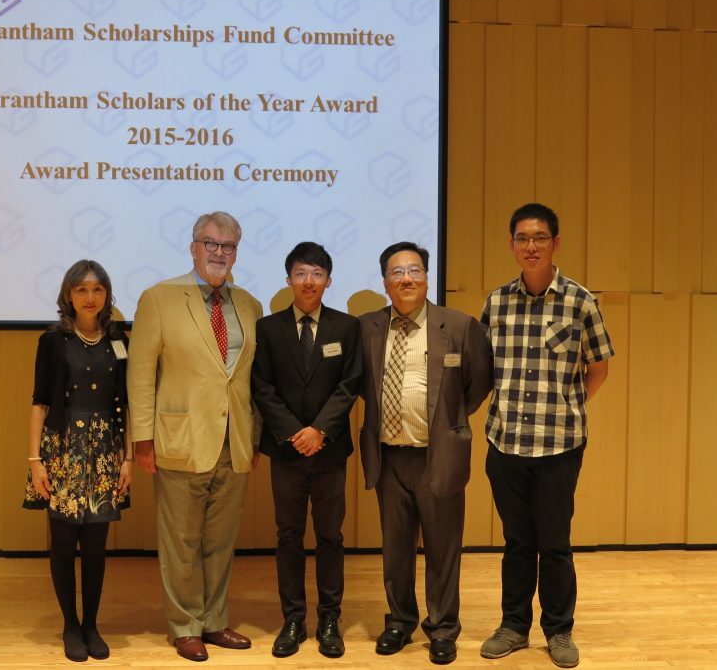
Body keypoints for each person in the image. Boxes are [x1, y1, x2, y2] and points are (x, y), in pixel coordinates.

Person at [479, 203, 613, 669]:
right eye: (521, 238)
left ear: (556, 243)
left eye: (539, 237)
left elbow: (599, 367)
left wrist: (568, 408)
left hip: (559, 446)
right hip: (505, 443)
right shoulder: (496, 303)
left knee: (554, 542)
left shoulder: (580, 300)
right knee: (516, 542)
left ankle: (559, 630)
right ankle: (513, 626)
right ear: (512, 245)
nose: (530, 246)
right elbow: (483, 371)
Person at [127, 211, 264, 663]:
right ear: (193, 247)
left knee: (220, 542)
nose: (219, 253)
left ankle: (214, 621)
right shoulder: (159, 298)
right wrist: (142, 438)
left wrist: (256, 435)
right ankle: (185, 625)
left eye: (227, 246)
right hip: (179, 440)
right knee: (181, 540)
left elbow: (252, 379)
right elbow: (141, 374)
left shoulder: (249, 304)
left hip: (235, 441)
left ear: (236, 252)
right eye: (211, 243)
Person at [358, 241, 493, 665]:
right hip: (389, 456)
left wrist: (449, 423)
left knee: (443, 548)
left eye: (414, 270)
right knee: (395, 549)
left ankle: (442, 629)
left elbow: (479, 383)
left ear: (427, 277)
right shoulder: (367, 328)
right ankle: (398, 622)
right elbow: (361, 385)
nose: (406, 279)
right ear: (385, 282)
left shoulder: (458, 326)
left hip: (439, 456)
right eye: (397, 273)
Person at [251, 242, 362, 659]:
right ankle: (293, 619)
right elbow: (261, 387)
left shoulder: (346, 327)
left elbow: (349, 384)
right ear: (288, 280)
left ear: (328, 281)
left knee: (331, 537)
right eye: (300, 273)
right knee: (289, 537)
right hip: (287, 453)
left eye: (317, 274)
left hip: (330, 451)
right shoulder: (269, 328)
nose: (308, 281)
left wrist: (320, 430)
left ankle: (330, 619)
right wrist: (295, 433)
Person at [23, 259, 132, 662]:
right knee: (65, 540)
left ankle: (91, 624)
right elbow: (39, 402)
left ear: (107, 295)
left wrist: (127, 459)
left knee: (97, 543)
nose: (90, 297)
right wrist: (36, 460)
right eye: (82, 289)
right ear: (68, 295)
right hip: (63, 448)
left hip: (106, 450)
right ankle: (70, 624)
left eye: (98, 289)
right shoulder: (52, 341)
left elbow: (129, 403)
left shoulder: (118, 339)